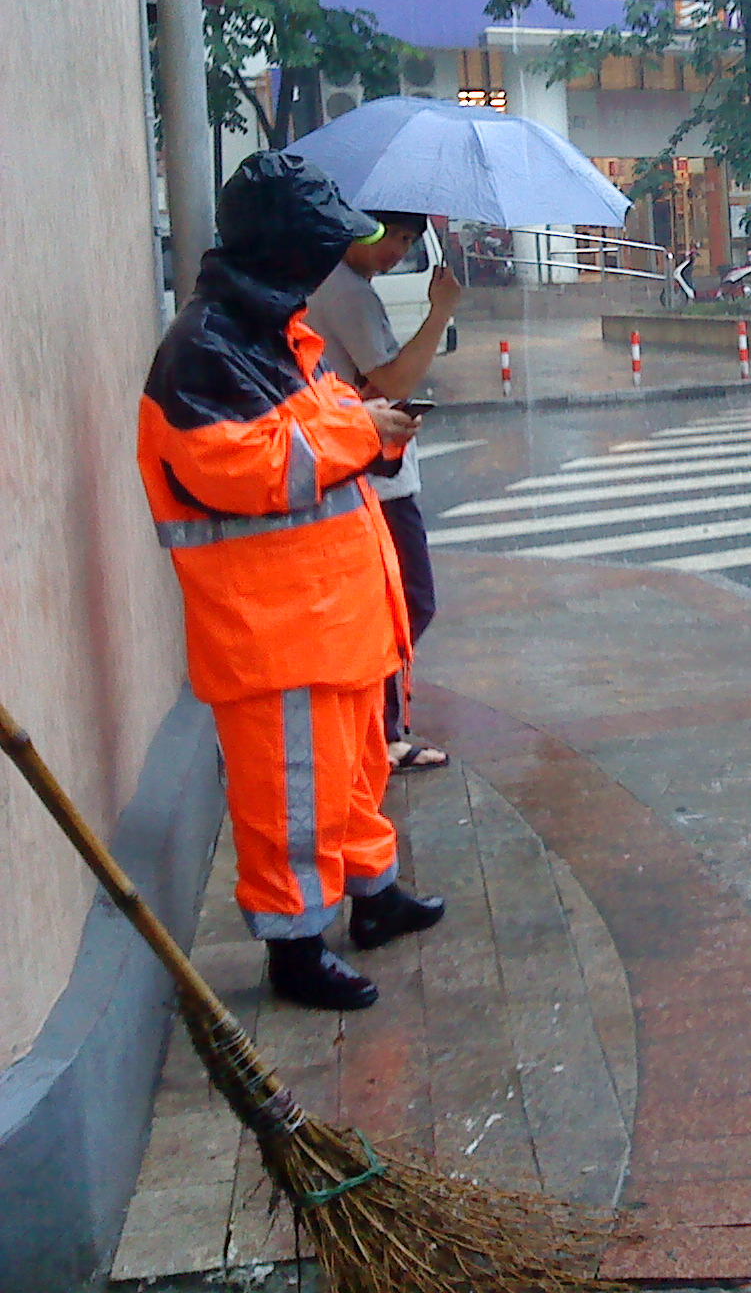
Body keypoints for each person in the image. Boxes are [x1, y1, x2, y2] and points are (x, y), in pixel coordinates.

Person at [137, 152, 444, 1013]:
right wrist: (364, 436)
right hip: (275, 636)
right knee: (289, 805)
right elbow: (247, 468)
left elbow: (323, 423)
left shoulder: (274, 335)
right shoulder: (203, 353)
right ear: (284, 254)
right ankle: (295, 951)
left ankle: (373, 897)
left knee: (349, 781)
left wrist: (375, 428)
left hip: (327, 621)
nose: (326, 264)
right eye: (316, 248)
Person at [304, 211, 462, 775]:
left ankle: (375, 720)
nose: (400, 250)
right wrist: (440, 311)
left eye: (410, 240)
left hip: (367, 469)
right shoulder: (345, 292)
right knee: (404, 605)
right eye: (394, 237)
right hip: (376, 479)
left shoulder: (340, 287)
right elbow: (395, 381)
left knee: (393, 605)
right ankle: (383, 730)